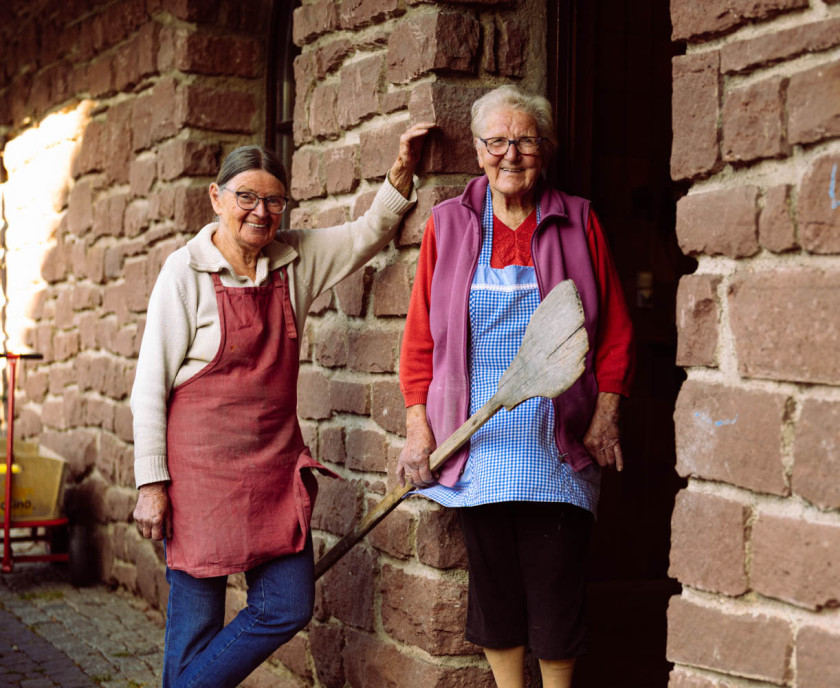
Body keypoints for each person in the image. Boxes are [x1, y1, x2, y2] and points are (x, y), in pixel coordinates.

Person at [130, 122, 434, 688]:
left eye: (274, 200)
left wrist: (401, 172)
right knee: (193, 630)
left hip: (270, 473)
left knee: (287, 607)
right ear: (217, 198)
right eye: (246, 196)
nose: (260, 212)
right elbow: (150, 386)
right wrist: (152, 484)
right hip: (197, 482)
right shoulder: (184, 272)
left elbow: (366, 232)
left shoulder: (294, 259)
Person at [396, 85, 633, 688]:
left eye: (525, 140)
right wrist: (417, 426)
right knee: (494, 584)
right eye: (497, 141)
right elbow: (421, 338)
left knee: (557, 583)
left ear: (545, 150)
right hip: (478, 440)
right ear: (478, 151)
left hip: (558, 439)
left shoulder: (577, 219)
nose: (511, 153)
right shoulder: (449, 225)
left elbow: (613, 331)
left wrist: (606, 415)